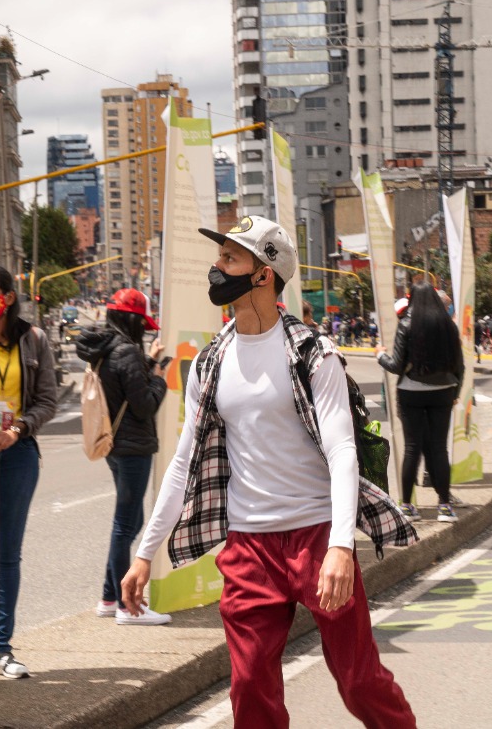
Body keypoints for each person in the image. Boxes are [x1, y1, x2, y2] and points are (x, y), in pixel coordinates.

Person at [121, 216, 417, 729]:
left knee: (358, 680)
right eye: (220, 257)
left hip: (317, 537)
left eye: (230, 258)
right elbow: (184, 461)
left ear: (264, 274)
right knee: (250, 688)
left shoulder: (311, 352)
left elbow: (342, 449)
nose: (217, 268)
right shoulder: (212, 361)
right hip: (249, 546)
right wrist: (145, 554)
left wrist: (341, 548)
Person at [74, 288, 171, 626]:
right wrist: (159, 379)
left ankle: (108, 596)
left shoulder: (104, 348)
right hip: (132, 447)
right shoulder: (127, 350)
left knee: (128, 521)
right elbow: (143, 405)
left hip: (114, 444)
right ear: (131, 320)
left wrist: (149, 362)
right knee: (125, 524)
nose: (144, 331)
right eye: (141, 324)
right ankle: (127, 606)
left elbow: (121, 383)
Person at [0, 267, 59, 678]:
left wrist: (18, 429)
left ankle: (1, 647)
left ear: (8, 297)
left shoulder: (32, 340)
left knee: (6, 554)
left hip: (17, 455)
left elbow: (48, 400)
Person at [376, 282, 466, 524]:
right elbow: (460, 366)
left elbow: (395, 365)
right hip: (443, 392)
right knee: (439, 448)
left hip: (411, 393)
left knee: (412, 448)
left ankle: (406, 506)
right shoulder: (448, 326)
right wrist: (455, 391)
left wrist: (379, 355)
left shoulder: (407, 323)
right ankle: (445, 506)